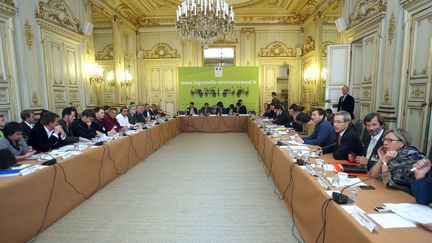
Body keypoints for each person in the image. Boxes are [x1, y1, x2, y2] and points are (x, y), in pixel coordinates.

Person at [369, 128, 426, 194]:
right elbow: (372, 175)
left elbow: (388, 184)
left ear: (402, 143)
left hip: (410, 198)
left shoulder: (407, 157)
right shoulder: (391, 155)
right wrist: (382, 158)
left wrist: (385, 162)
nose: (385, 143)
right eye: (384, 140)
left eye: (390, 140)